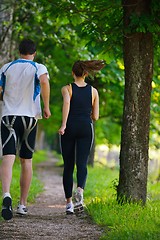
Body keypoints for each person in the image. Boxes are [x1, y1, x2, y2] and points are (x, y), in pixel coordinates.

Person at [0, 39, 51, 220]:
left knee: (8, 157)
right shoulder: (39, 67)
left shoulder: (6, 68)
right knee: (26, 161)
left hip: (8, 117)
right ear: (34, 53)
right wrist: (46, 106)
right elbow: (44, 82)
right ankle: (22, 204)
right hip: (29, 118)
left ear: (19, 51)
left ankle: (6, 194)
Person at [58, 60, 105, 214]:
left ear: (73, 73)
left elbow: (66, 104)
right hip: (86, 127)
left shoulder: (67, 89)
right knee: (82, 163)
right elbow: (96, 116)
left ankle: (69, 204)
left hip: (70, 128)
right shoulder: (94, 91)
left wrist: (64, 125)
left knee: (68, 166)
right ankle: (80, 191)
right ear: (86, 73)